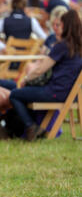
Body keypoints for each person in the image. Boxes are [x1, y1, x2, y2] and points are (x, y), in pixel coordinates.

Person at [9, 9, 82, 141]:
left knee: (14, 94)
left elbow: (40, 70)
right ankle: (36, 127)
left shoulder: (62, 46)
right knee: (24, 93)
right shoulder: (79, 46)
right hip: (72, 94)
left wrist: (26, 79)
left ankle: (31, 126)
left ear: (66, 26)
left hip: (55, 92)